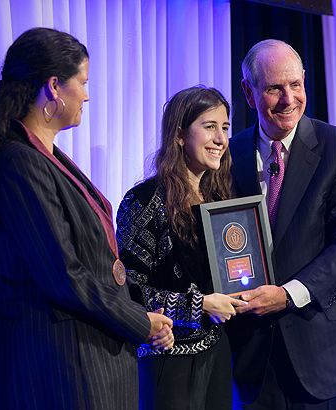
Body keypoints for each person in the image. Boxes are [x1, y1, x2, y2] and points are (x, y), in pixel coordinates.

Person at [0, 27, 173, 410]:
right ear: (54, 86)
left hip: (86, 361)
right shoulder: (18, 163)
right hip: (60, 371)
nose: (87, 95)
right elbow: (64, 275)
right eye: (82, 82)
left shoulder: (43, 157)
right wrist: (140, 322)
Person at [227, 39, 336, 409]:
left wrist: (287, 294)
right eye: (273, 88)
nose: (288, 99)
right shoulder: (230, 155)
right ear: (248, 94)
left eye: (295, 85)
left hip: (330, 358)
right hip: (255, 364)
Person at [116, 85, 247, 410]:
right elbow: (129, 293)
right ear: (178, 135)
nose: (221, 139)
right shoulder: (143, 201)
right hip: (166, 362)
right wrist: (200, 305)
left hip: (217, 356)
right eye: (209, 126)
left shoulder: (222, 201)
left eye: (225, 128)